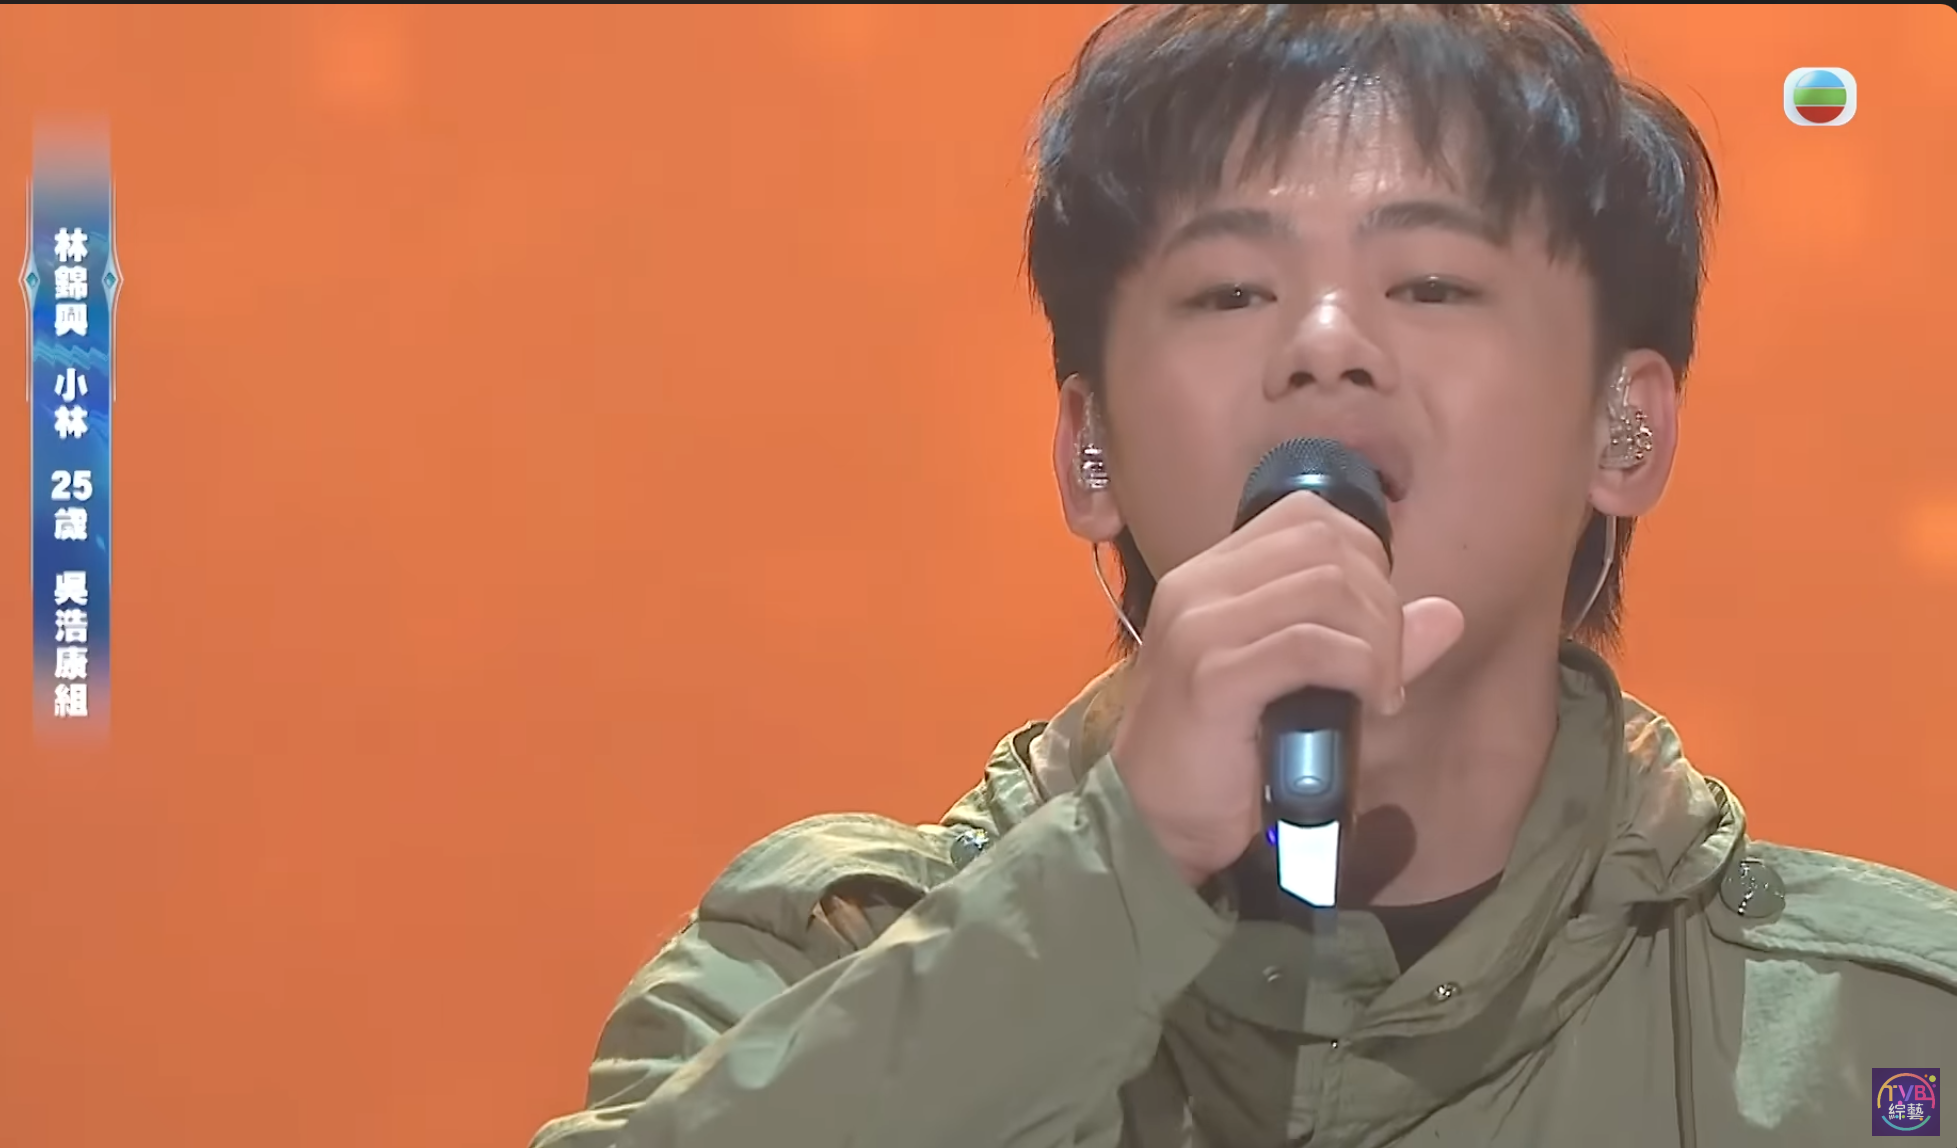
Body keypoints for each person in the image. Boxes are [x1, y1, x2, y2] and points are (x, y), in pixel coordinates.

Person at [530, 6, 1957, 1146]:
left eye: (1432, 284)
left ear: (1623, 429)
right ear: (1089, 451)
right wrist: (1119, 865)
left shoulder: (1886, 1045)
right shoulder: (817, 969)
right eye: (1229, 292)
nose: (1327, 342)